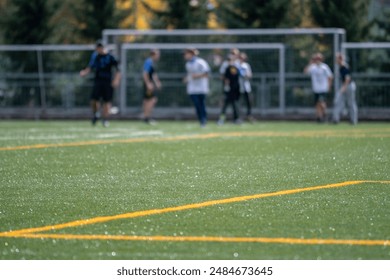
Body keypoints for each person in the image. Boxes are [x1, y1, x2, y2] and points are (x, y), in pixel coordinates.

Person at [80, 40, 120, 127]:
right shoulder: (95, 56)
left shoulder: (110, 56)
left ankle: (105, 119)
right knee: (94, 100)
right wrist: (84, 72)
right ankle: (96, 114)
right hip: (98, 81)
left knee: (107, 101)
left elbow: (118, 70)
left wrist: (116, 80)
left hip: (108, 82)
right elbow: (90, 67)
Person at [183, 48, 210, 127]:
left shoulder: (200, 62)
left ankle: (203, 120)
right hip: (192, 88)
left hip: (201, 87)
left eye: (186, 54)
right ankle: (201, 120)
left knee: (202, 104)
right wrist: (187, 79)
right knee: (197, 105)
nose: (185, 56)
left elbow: (206, 73)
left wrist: (196, 76)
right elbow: (190, 75)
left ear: (191, 54)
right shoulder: (187, 64)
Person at [304, 53, 333, 123]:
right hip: (316, 89)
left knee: (322, 102)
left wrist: (329, 86)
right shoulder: (313, 67)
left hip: (323, 88)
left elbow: (330, 77)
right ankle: (319, 118)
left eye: (319, 59)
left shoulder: (324, 67)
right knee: (317, 104)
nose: (317, 60)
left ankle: (325, 114)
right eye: (316, 59)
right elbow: (305, 72)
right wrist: (310, 62)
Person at [332, 53, 358, 125]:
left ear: (340, 59)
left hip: (348, 86)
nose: (336, 60)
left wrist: (343, 89)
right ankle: (335, 119)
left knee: (351, 103)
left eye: (337, 58)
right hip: (345, 86)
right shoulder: (340, 67)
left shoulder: (344, 67)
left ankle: (353, 120)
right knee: (339, 102)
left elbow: (347, 79)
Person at [217, 54, 241, 125]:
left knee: (230, 105)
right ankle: (233, 119)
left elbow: (226, 79)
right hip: (234, 89)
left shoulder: (230, 68)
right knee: (230, 105)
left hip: (231, 89)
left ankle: (225, 119)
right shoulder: (235, 68)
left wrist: (226, 87)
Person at [142, 49, 162, 125]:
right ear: (153, 54)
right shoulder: (149, 61)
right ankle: (146, 117)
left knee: (150, 100)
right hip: (148, 85)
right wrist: (148, 84)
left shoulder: (152, 62)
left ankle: (147, 117)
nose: (158, 56)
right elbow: (145, 73)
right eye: (157, 55)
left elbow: (153, 74)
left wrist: (157, 83)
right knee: (150, 101)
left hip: (150, 84)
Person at [239, 52, 254, 122]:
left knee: (248, 102)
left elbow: (250, 75)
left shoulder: (246, 65)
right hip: (238, 87)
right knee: (239, 103)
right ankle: (239, 117)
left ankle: (249, 116)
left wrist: (246, 75)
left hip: (246, 87)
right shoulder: (236, 65)